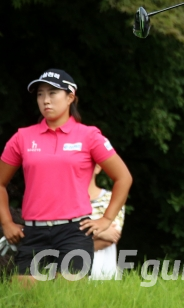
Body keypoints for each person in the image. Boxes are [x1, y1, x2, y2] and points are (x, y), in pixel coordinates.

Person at [0, 69, 132, 282]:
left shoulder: (89, 136)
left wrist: (106, 219)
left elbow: (123, 178)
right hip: (33, 232)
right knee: (24, 297)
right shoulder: (22, 137)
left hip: (74, 232)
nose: (45, 100)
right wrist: (7, 222)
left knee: (66, 297)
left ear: (70, 97)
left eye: (53, 93)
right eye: (40, 94)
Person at [88, 164, 126, 280]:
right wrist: (101, 232)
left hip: (104, 276)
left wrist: (70, 247)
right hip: (71, 274)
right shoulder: (65, 201)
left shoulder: (112, 199)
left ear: (97, 167)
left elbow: (110, 238)